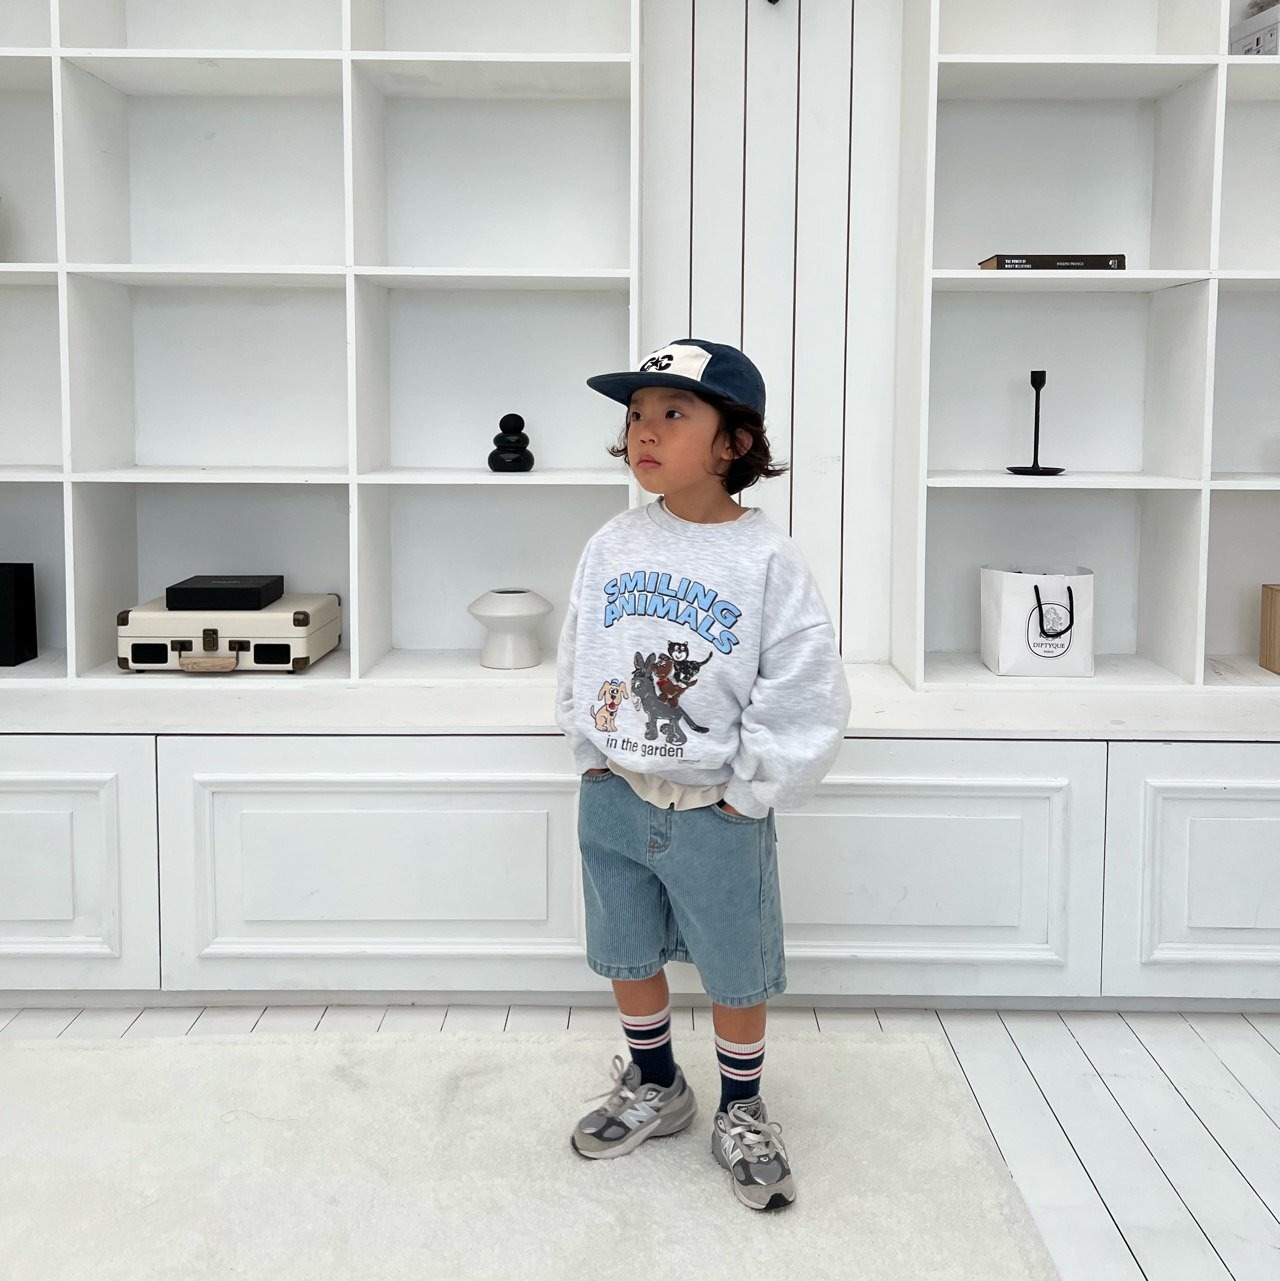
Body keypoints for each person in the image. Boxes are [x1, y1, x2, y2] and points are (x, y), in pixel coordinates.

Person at [553, 338, 852, 1212]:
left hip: (716, 805)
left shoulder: (768, 560)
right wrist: (590, 756)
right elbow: (580, 651)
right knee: (627, 949)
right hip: (616, 791)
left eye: (674, 413)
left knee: (735, 966)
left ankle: (742, 1108)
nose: (644, 431)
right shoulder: (612, 543)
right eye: (636, 414)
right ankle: (657, 1082)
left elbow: (803, 685)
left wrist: (750, 794)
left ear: (735, 442)